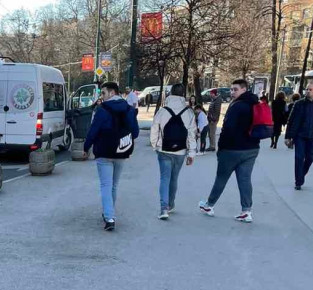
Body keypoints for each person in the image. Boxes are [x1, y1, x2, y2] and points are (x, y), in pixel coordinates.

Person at [199, 79, 261, 223]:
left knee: (221, 178)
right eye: (231, 89)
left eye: (235, 89)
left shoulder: (236, 106)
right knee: (245, 180)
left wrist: (221, 147)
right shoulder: (255, 104)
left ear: (244, 89)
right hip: (251, 148)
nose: (232, 92)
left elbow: (228, 128)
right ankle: (246, 211)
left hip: (232, 149)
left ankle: (209, 205)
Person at [83, 81, 140, 231]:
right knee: (114, 185)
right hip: (122, 151)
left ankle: (109, 217)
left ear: (112, 92)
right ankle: (109, 213)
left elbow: (93, 130)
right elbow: (135, 133)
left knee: (105, 185)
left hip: (104, 152)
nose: (102, 96)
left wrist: (86, 147)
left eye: (103, 93)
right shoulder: (129, 109)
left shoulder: (102, 110)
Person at [149, 83, 198, 220]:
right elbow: (192, 134)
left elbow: (154, 129)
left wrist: (155, 145)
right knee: (174, 178)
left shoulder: (162, 111)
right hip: (180, 151)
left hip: (164, 150)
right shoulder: (188, 112)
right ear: (183, 95)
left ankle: (163, 209)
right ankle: (171, 204)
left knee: (164, 179)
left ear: (170, 94)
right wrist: (191, 153)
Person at [285, 80, 313, 189]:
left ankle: (301, 175)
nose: (308, 91)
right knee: (299, 158)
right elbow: (290, 120)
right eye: (307, 89)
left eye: (310, 89)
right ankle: (298, 182)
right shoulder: (298, 104)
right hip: (300, 136)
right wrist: (288, 136)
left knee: (310, 158)